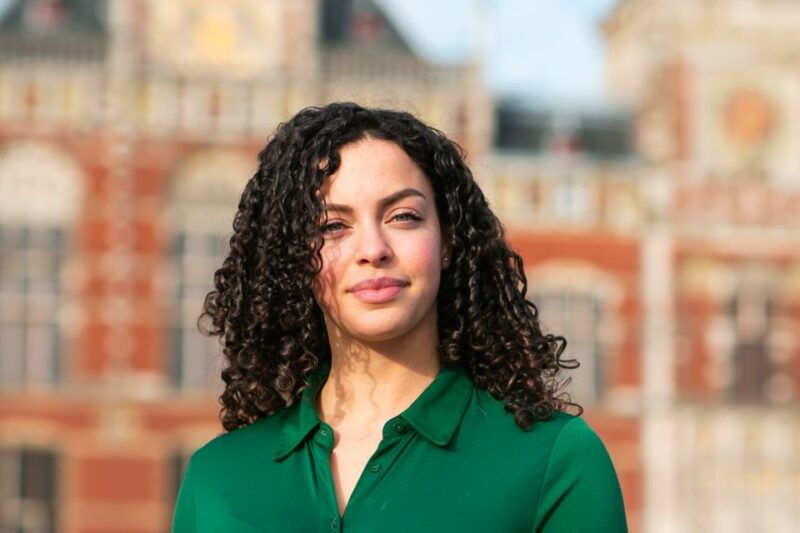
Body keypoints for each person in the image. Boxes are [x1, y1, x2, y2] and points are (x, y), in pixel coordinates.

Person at [172, 102, 628, 532]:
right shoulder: (217, 478)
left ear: (448, 241)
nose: (373, 249)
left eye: (403, 216)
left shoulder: (554, 459)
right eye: (333, 226)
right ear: (293, 258)